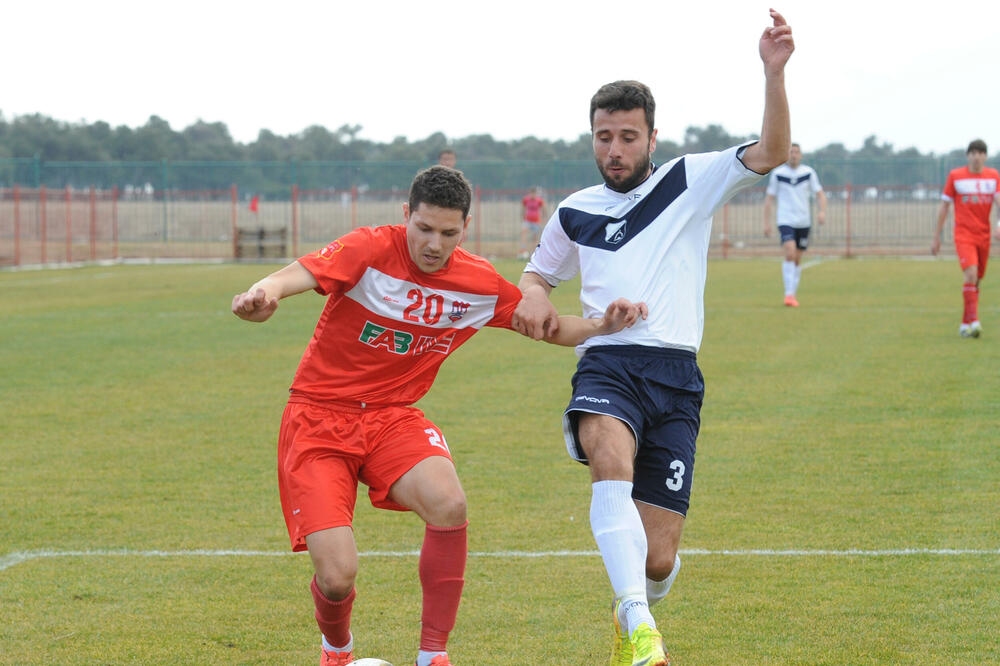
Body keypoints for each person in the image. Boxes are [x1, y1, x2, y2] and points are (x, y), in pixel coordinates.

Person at [232, 165, 646, 666]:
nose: (434, 244)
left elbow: (547, 325)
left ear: (465, 227)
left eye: (448, 233)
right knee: (337, 576)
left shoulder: (476, 282)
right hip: (318, 418)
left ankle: (433, 655)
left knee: (449, 504)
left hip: (392, 417)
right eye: (424, 228)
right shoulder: (368, 248)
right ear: (406, 214)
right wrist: (264, 293)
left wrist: (602, 326)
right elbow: (295, 275)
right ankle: (336, 649)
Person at [511, 10, 794, 666]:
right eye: (603, 137)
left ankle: (634, 607)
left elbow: (772, 152)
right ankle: (640, 626)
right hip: (606, 364)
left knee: (657, 558)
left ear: (651, 138)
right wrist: (532, 296)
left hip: (675, 375)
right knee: (607, 456)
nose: (614, 149)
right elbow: (537, 276)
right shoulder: (574, 210)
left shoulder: (689, 180)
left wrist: (773, 74)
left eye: (627, 137)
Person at [932, 139, 1000, 338]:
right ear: (967, 156)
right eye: (973, 153)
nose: (976, 157)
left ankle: (964, 325)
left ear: (985, 157)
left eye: (980, 153)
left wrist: (998, 226)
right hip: (964, 234)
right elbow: (944, 207)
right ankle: (975, 322)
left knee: (976, 281)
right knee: (970, 274)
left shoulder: (993, 176)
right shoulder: (956, 176)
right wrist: (936, 237)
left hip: (983, 235)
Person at [763, 142, 827, 307]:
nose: (794, 155)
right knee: (790, 253)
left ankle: (792, 293)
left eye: (796, 152)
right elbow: (769, 199)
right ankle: (788, 295)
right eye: (791, 152)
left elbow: (820, 194)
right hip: (785, 220)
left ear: (801, 155)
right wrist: (766, 223)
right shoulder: (778, 174)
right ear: (787, 154)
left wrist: (822, 212)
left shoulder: (808, 173)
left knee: (797, 258)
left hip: (803, 221)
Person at [519, 186, 546, 259]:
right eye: (532, 193)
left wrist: (543, 219)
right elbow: (523, 208)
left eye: (534, 194)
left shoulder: (539, 201)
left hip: (536, 222)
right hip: (527, 221)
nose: (533, 195)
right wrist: (522, 216)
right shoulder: (526, 200)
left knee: (534, 238)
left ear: (536, 194)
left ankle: (533, 253)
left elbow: (544, 209)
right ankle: (523, 250)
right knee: (523, 233)